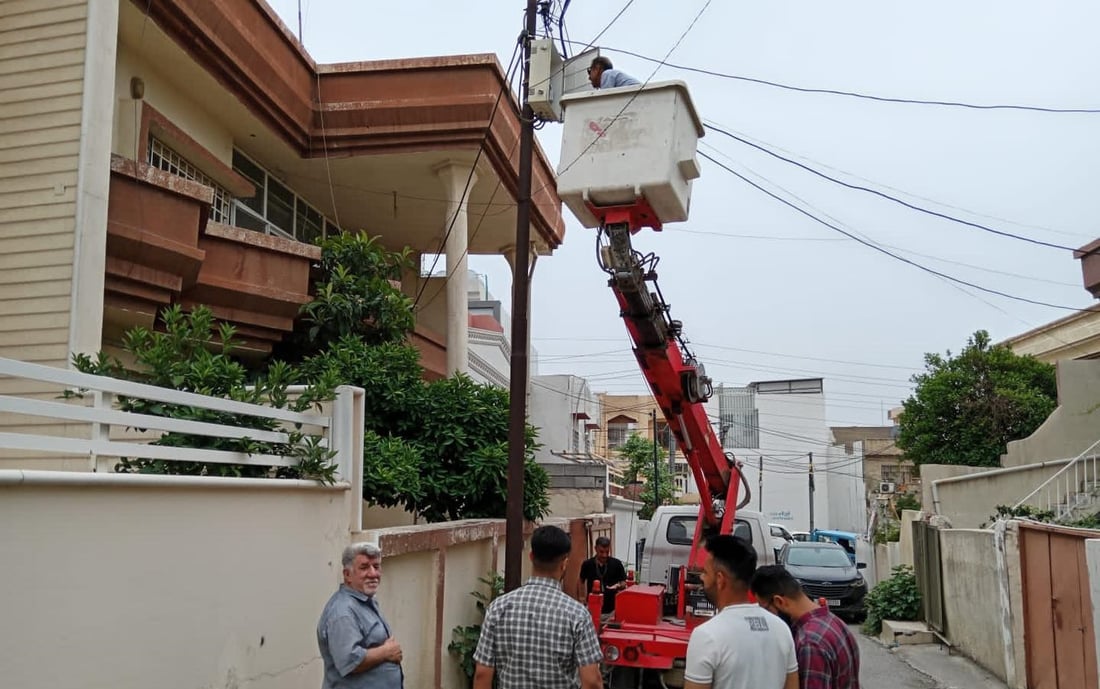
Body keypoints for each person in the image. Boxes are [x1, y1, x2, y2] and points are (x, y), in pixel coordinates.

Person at [473, 525, 603, 689]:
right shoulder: (578, 615)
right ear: (564, 563)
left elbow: (482, 675)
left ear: (531, 556)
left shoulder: (498, 608)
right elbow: (591, 681)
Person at [683, 535, 799, 689]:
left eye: (705, 572)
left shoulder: (706, 636)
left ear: (720, 579)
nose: (702, 578)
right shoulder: (781, 629)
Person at [750, 566, 861, 689]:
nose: (766, 616)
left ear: (779, 602)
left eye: (765, 609)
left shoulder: (809, 642)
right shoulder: (836, 622)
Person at [316, 542, 403, 689]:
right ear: (347, 574)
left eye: (376, 566)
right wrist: (386, 652)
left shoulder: (364, 601)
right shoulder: (342, 612)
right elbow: (350, 661)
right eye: (364, 567)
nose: (373, 573)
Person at [577, 536, 628, 615]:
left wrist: (618, 585)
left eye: (607, 552)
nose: (604, 555)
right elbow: (581, 580)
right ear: (595, 549)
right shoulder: (587, 564)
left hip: (612, 609)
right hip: (592, 607)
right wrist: (581, 597)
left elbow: (624, 582)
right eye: (601, 552)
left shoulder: (616, 564)